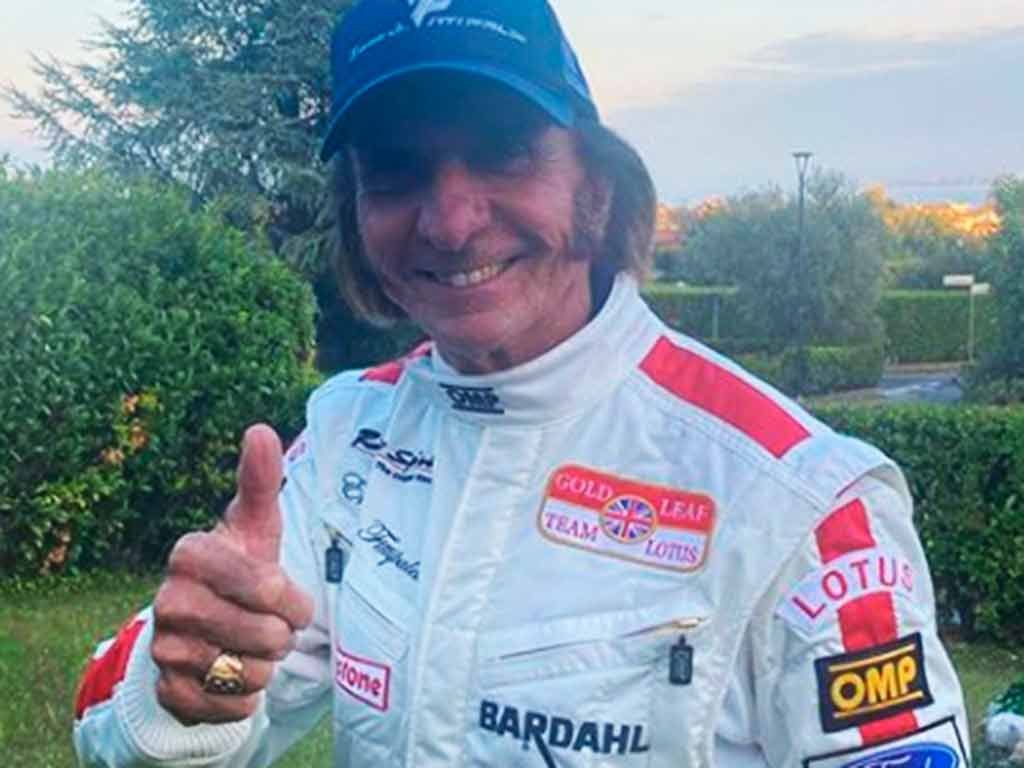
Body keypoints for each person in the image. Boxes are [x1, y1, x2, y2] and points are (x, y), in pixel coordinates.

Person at [73, 0, 971, 766]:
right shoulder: (349, 435)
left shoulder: (802, 502)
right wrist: (198, 689)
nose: (450, 221)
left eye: (504, 151)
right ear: (356, 212)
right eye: (396, 170)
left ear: (598, 188)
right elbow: (132, 717)